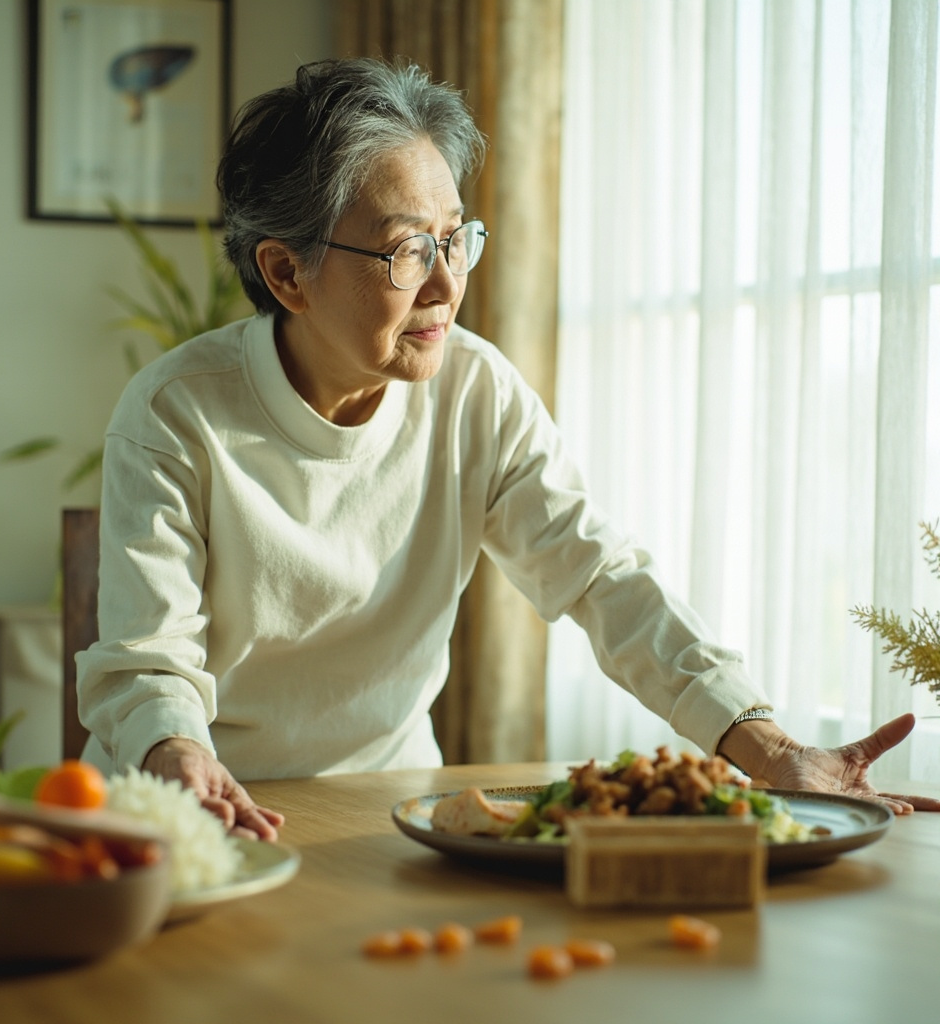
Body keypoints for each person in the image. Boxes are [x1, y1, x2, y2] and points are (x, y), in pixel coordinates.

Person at [78, 57, 940, 840]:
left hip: (378, 817)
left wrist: (771, 750)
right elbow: (147, 661)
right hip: (201, 816)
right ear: (287, 274)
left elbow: (602, 578)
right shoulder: (176, 412)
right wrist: (177, 756)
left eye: (455, 238)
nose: (449, 284)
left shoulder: (474, 392)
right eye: (410, 250)